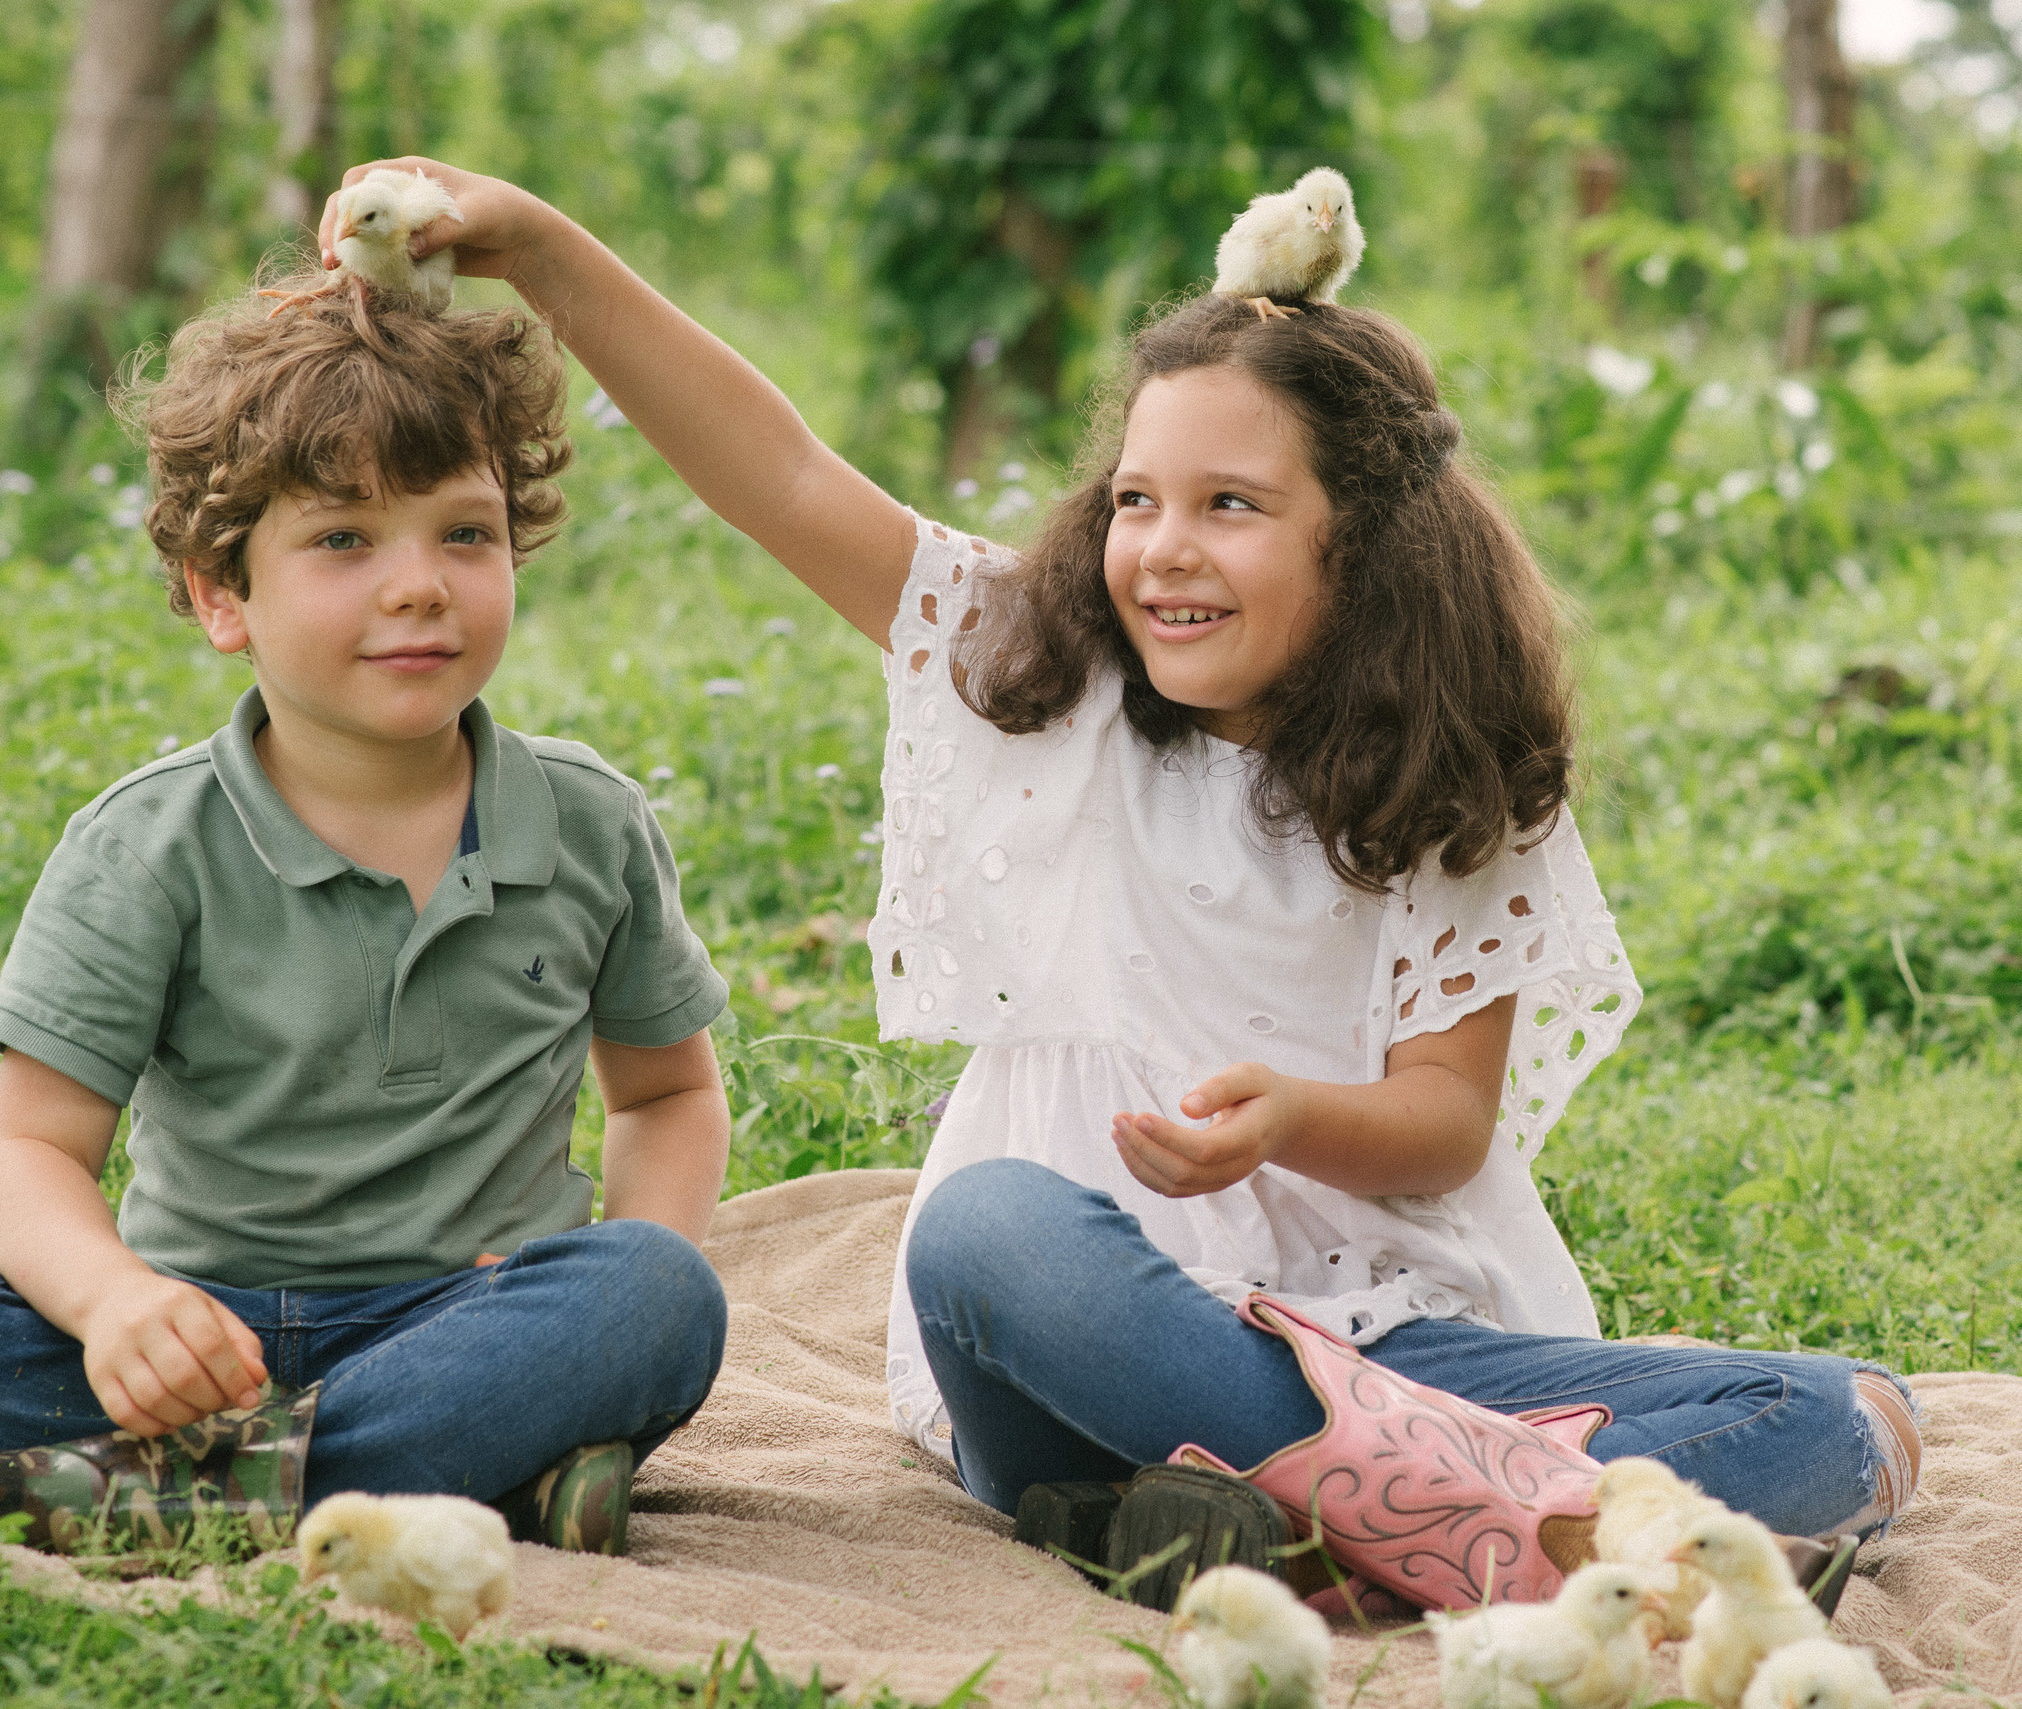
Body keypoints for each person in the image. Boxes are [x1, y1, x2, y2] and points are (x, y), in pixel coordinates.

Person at [291, 159, 1921, 1607]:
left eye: (1232, 505)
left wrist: (1287, 1114)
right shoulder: (1046, 679)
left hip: (1383, 1338)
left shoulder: (1448, 785)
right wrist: (539, 247)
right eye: (1138, 498)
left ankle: (1291, 1512)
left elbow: (1447, 1117)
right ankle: (1469, 1516)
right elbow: (779, 472)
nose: (1161, 547)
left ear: (1368, 542)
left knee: (1829, 1416)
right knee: (984, 1235)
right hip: (1074, 1348)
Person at [0, 275, 733, 1559]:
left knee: (657, 1296)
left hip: (471, 1313)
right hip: (196, 1325)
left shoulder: (586, 822)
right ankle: (454, 1482)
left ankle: (119, 1492)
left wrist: (620, 1297)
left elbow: (666, 1094)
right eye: (344, 540)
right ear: (222, 593)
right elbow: (29, 1154)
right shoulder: (145, 844)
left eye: (465, 533)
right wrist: (118, 1303)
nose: (420, 586)